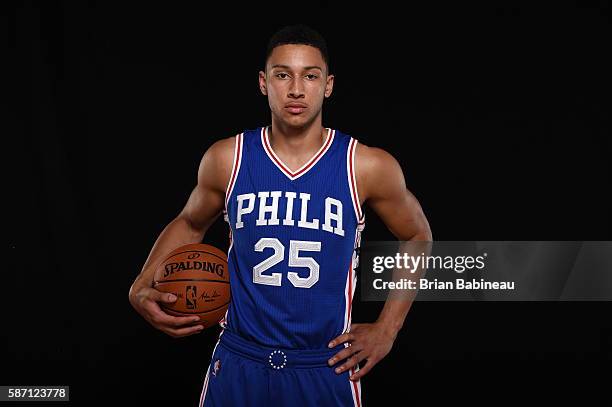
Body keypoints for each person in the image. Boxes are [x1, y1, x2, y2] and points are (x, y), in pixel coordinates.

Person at [128, 24, 432, 406]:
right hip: (240, 360)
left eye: (310, 75)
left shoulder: (365, 166)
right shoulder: (227, 158)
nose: (296, 89)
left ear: (329, 85)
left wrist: (388, 329)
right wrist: (140, 284)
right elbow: (190, 223)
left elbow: (418, 235)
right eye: (282, 74)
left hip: (324, 365)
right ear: (263, 82)